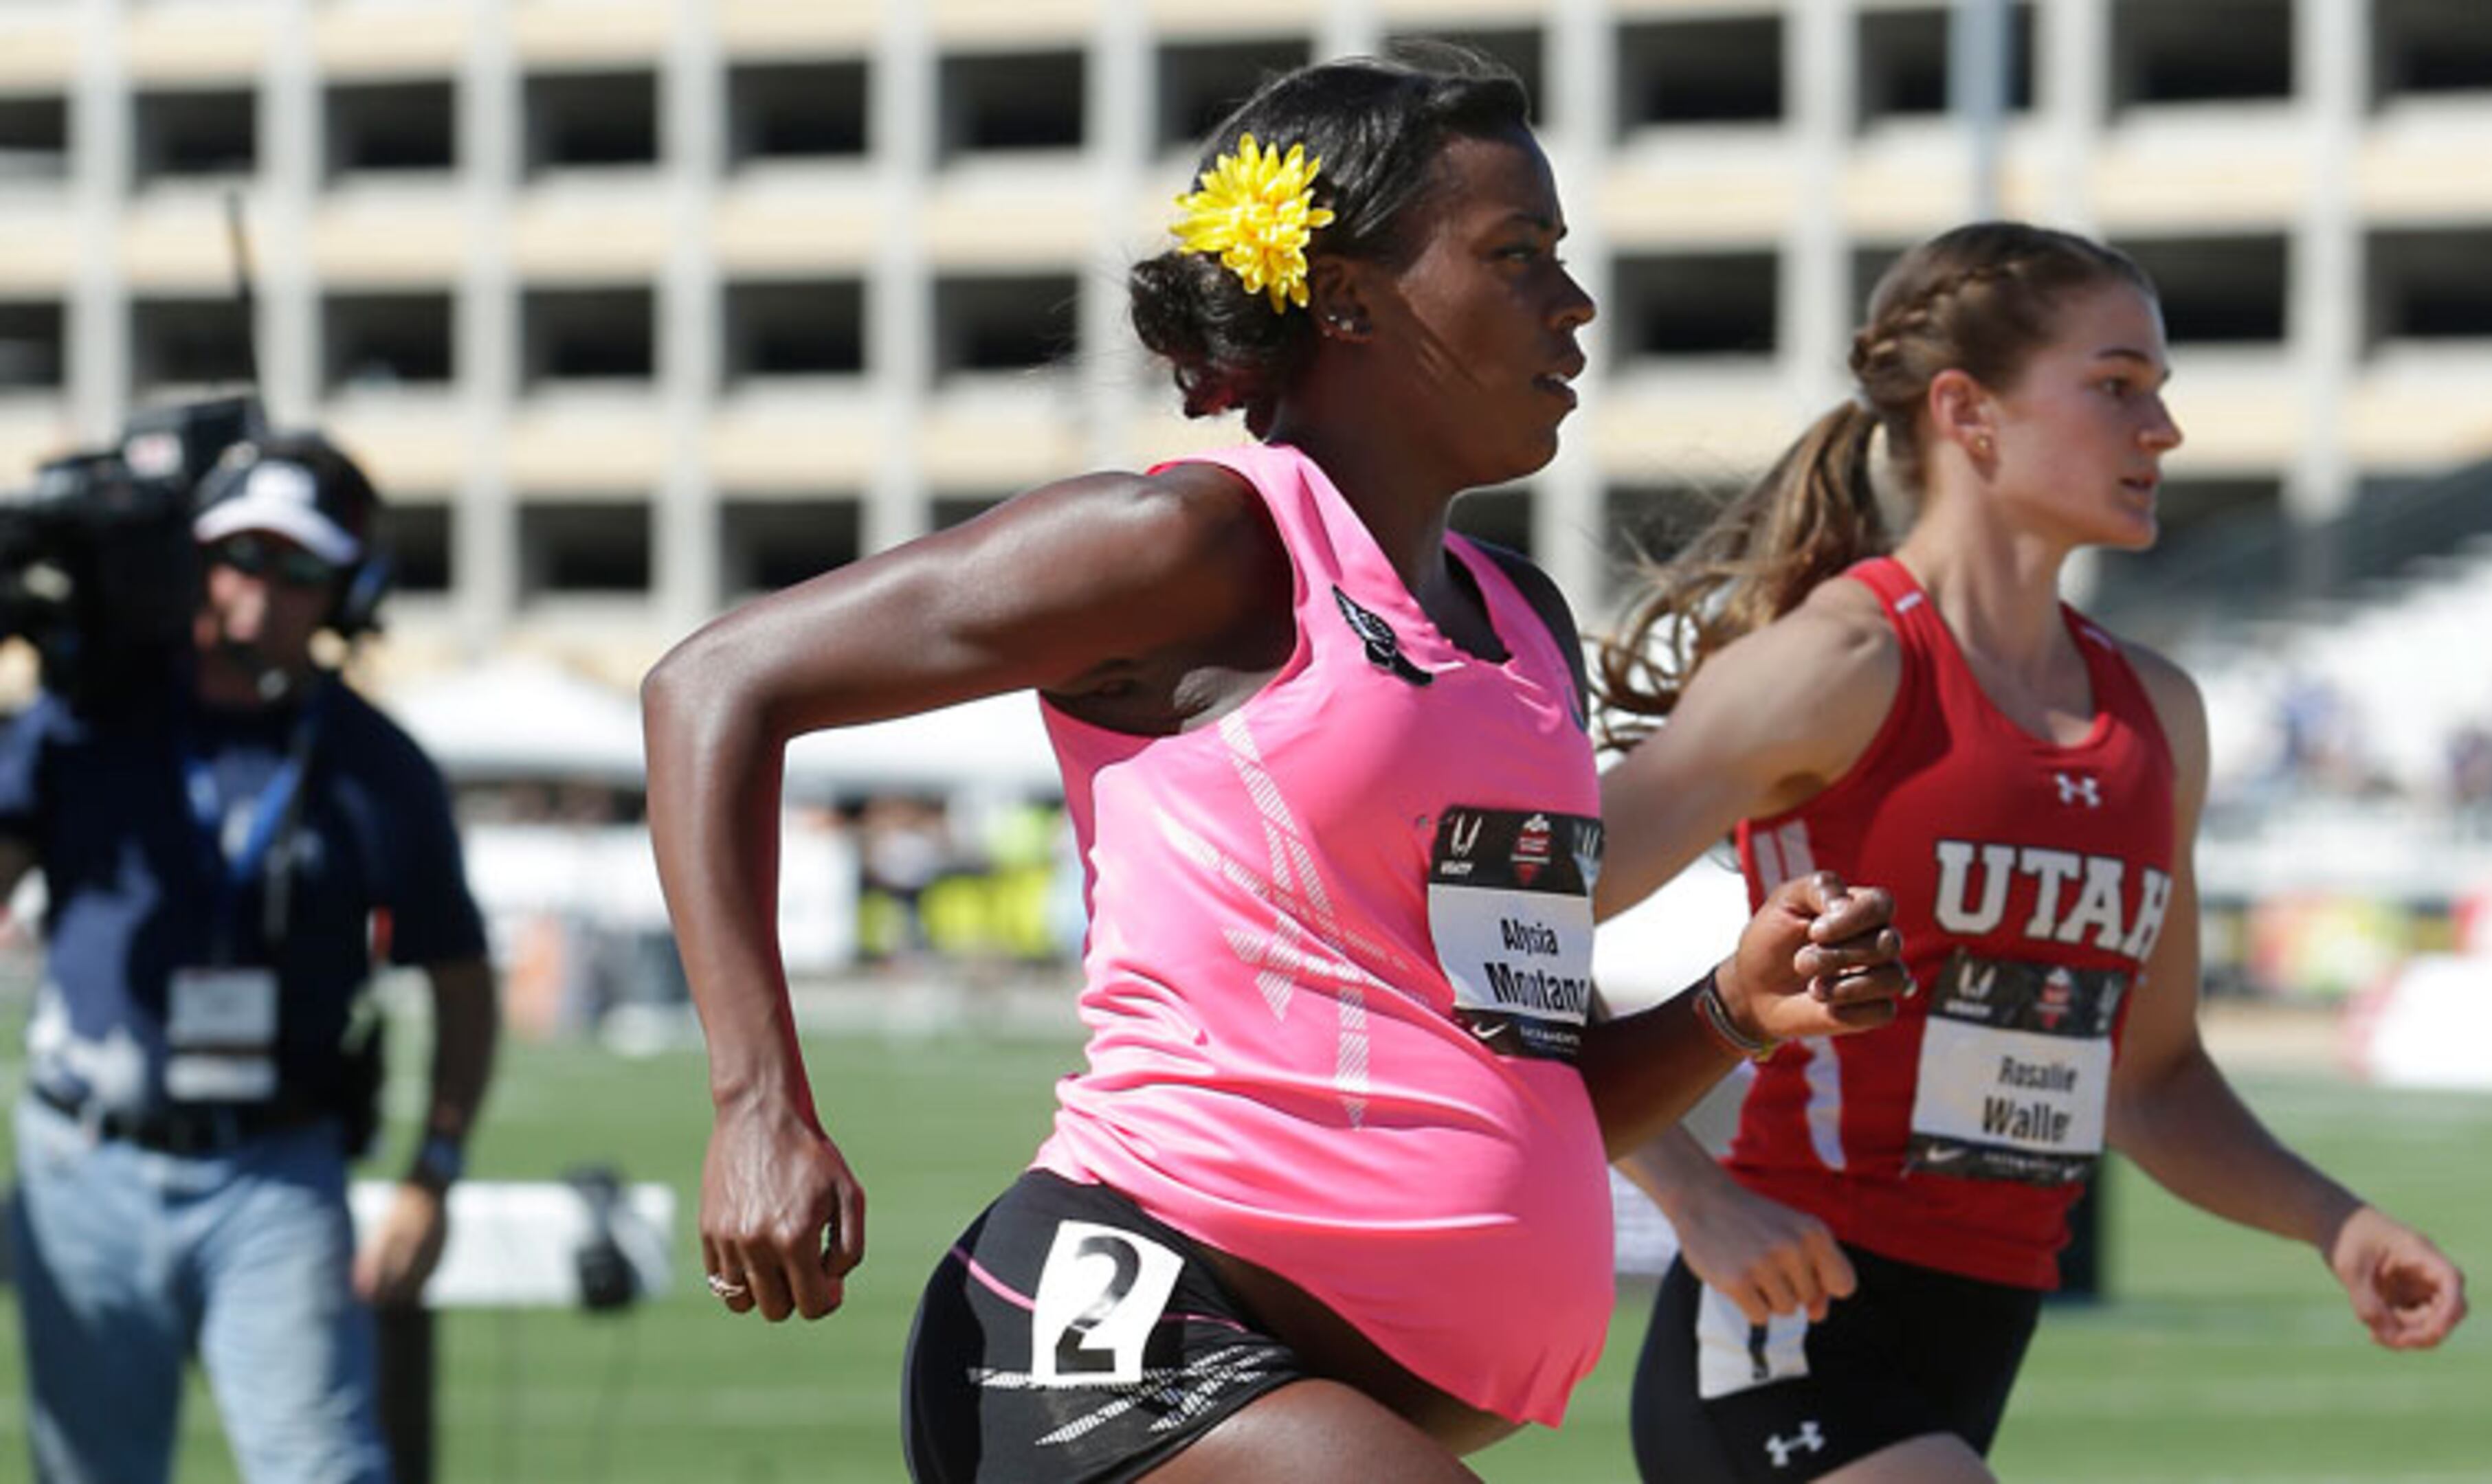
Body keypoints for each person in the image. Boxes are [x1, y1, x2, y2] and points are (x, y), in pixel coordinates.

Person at [640, 49, 1911, 1484]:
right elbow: (714, 686)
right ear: (1351, 299)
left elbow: (1510, 1074)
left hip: (1319, 1381)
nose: (1574, 303)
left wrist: (1733, 1010)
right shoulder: (1201, 545)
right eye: (1517, 256)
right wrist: (759, 1106)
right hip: (1125, 1334)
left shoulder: (1525, 625)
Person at [1592, 221, 2469, 1483]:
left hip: (1978, 1343)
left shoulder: (2157, 713)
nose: (2161, 430)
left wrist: (2335, 1222)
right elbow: (1497, 927)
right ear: (1970, 412)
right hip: (1788, 1326)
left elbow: (2154, 1083)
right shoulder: (1839, 667)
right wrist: (1693, 1195)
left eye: (2160, 392)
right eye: (2118, 387)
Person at [0, 432, 499, 1483]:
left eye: (298, 567)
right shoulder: (84, 719)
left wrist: (434, 1170)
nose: (258, 591)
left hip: (274, 1170)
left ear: (347, 593)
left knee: (324, 1467)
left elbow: (461, 977)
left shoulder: (378, 765)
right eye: (236, 556)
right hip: (81, 1155)